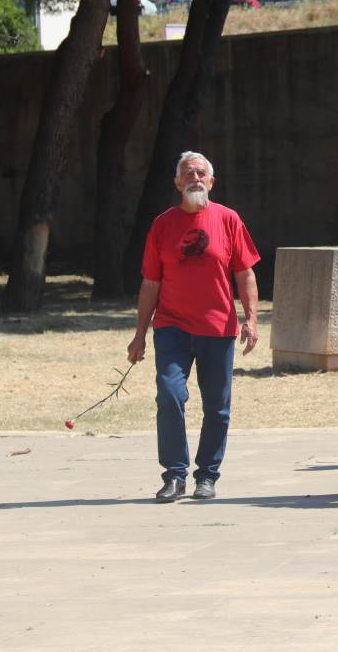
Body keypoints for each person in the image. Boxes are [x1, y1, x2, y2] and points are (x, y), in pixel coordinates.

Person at [128, 151, 261, 503]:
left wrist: (251, 318)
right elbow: (150, 285)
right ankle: (174, 475)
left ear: (212, 181)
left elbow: (245, 272)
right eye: (188, 173)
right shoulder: (162, 225)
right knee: (169, 395)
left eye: (202, 173)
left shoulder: (228, 220)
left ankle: (207, 476)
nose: (195, 178)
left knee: (217, 407)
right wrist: (140, 335)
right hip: (171, 327)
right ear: (177, 183)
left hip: (217, 328)